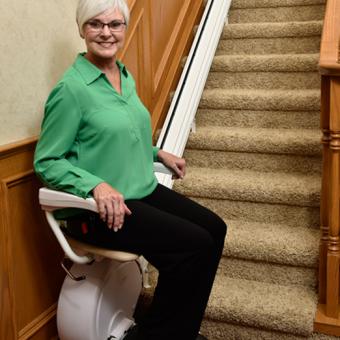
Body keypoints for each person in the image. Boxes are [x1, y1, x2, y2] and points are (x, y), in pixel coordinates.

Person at [34, 1, 227, 339]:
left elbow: (115, 135)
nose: (106, 32)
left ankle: (180, 330)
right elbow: (47, 161)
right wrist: (95, 185)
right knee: (193, 246)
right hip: (97, 210)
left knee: (215, 228)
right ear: (82, 29)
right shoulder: (71, 90)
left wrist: (156, 152)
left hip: (139, 189)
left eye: (115, 24)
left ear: (124, 28)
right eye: (95, 24)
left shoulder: (123, 75)